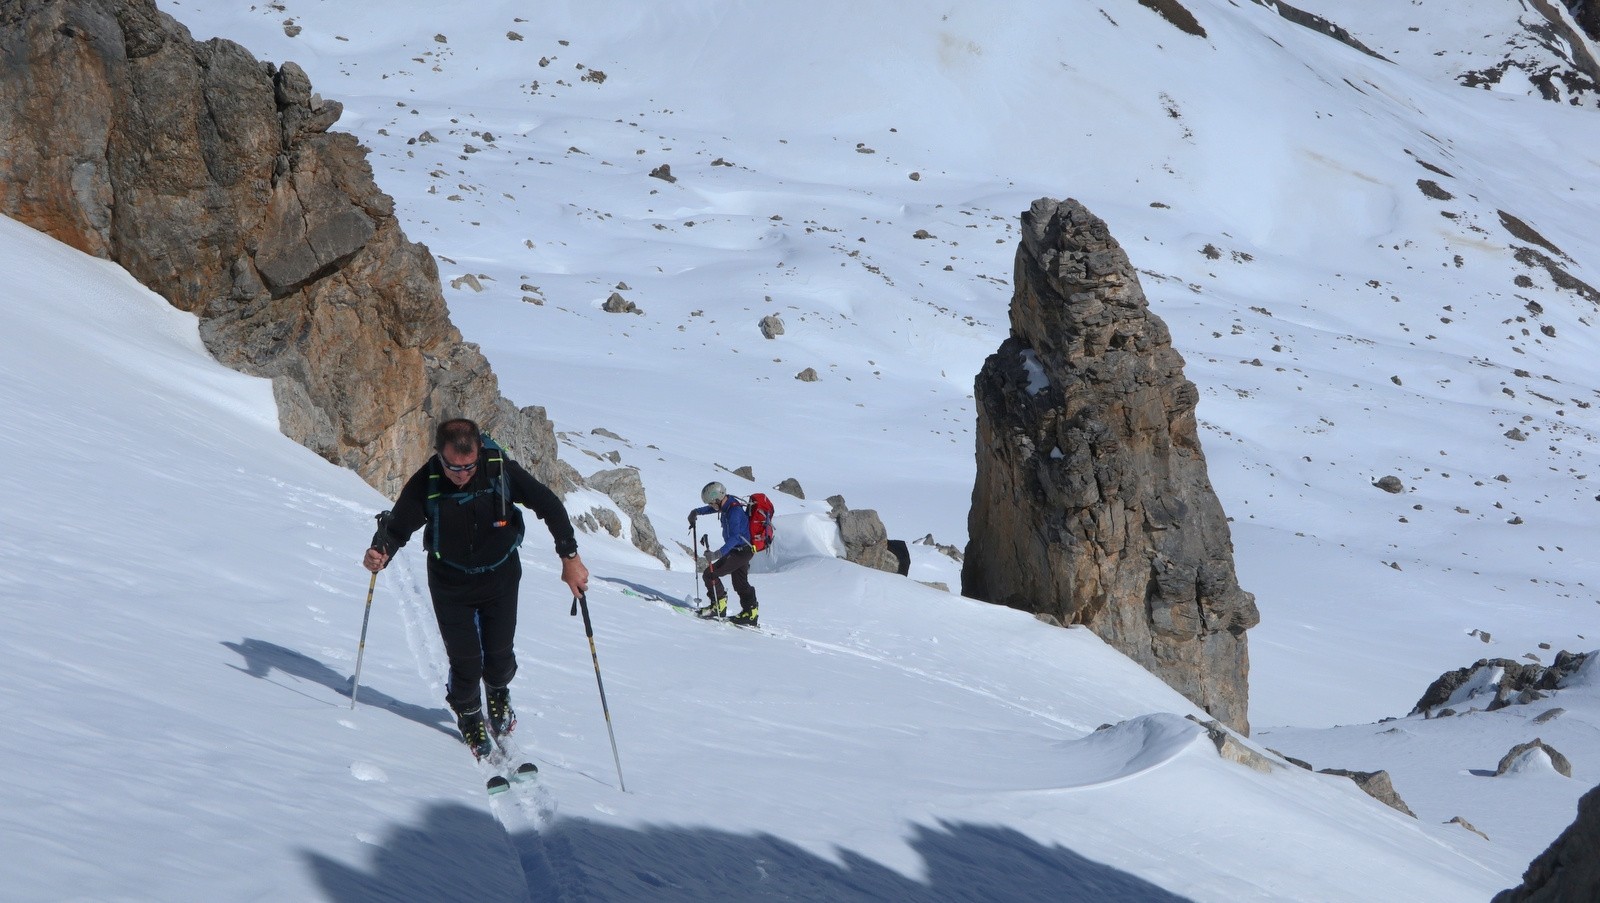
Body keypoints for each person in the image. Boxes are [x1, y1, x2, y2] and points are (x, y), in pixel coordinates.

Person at [363, 417, 589, 759]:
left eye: (468, 467)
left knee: (499, 657)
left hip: (500, 577)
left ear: (479, 452)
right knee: (466, 662)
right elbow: (397, 527)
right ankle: (468, 713)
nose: (462, 474)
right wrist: (381, 552)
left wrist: (569, 556)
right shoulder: (428, 480)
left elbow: (550, 506)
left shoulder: (499, 470)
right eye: (454, 467)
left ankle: (498, 694)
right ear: (439, 454)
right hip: (450, 582)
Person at [688, 481, 759, 626]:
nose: (712, 506)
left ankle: (718, 606)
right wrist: (696, 512)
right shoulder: (727, 504)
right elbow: (711, 510)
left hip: (740, 551)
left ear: (718, 499)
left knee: (710, 574)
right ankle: (750, 613)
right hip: (742, 550)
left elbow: (735, 537)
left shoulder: (734, 512)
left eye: (712, 503)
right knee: (740, 584)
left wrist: (717, 554)